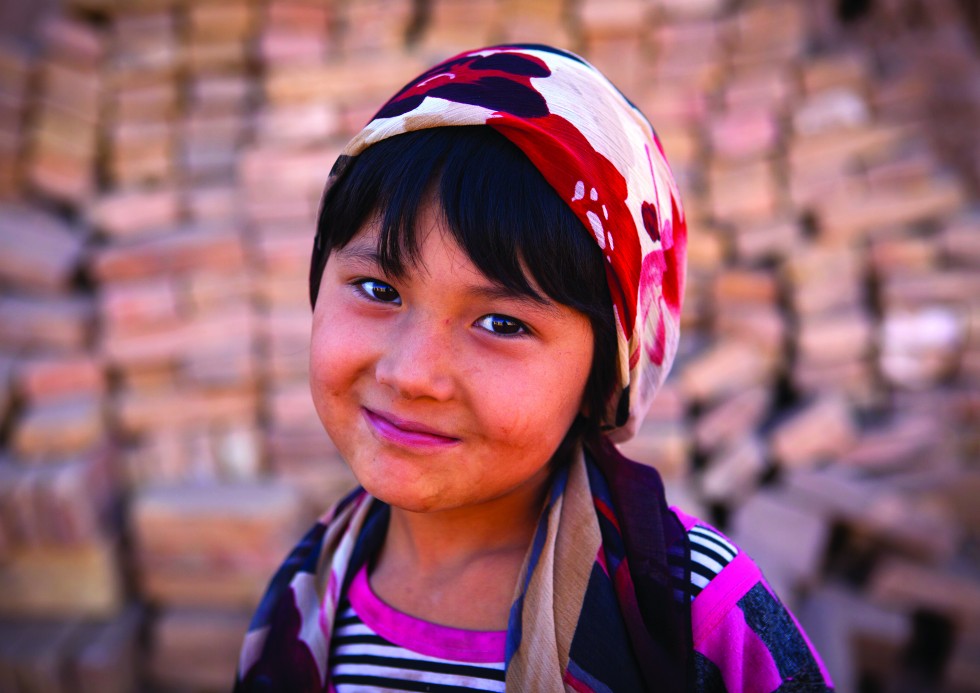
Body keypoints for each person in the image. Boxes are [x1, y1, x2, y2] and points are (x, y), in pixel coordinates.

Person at [234, 44, 833, 692]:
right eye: (379, 290)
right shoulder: (307, 591)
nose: (411, 373)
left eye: (502, 324)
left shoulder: (693, 611)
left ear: (603, 377)